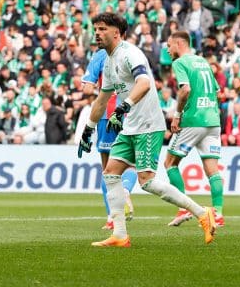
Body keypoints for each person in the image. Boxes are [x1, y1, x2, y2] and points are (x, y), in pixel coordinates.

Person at [78, 13, 215, 248]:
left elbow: (144, 83)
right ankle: (120, 235)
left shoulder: (130, 53)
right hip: (130, 126)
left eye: (102, 29)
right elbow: (102, 99)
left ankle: (202, 213)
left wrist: (123, 108)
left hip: (148, 125)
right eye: (96, 29)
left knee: (147, 181)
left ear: (116, 32)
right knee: (110, 173)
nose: (97, 33)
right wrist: (87, 130)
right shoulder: (108, 60)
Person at [164, 31, 225, 228]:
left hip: (193, 119)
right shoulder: (203, 62)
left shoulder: (180, 63)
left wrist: (178, 114)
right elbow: (217, 92)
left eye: (169, 45)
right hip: (213, 120)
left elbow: (186, 90)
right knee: (212, 170)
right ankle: (218, 214)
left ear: (179, 44)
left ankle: (183, 209)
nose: (167, 49)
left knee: (170, 163)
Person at [80, 47, 137, 230]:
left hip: (107, 113)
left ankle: (112, 217)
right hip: (131, 112)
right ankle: (126, 190)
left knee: (107, 169)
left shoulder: (99, 55)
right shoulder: (131, 52)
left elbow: (88, 87)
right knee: (131, 164)